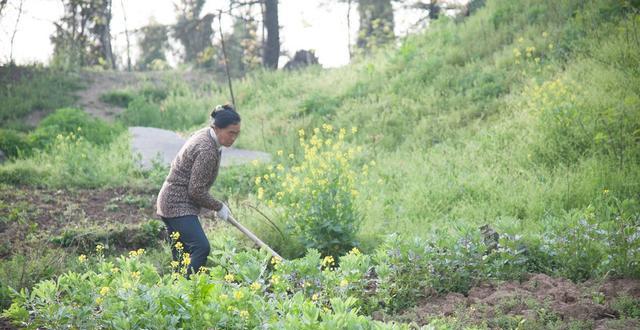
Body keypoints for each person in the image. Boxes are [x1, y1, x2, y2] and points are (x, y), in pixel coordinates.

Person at [156, 104, 241, 275]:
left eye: (237, 133)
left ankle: (177, 293)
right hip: (177, 204)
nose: (234, 138)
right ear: (216, 128)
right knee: (201, 247)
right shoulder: (207, 150)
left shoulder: (207, 134)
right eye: (231, 133)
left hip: (168, 201)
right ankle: (187, 287)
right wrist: (218, 206)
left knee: (182, 257)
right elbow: (196, 191)